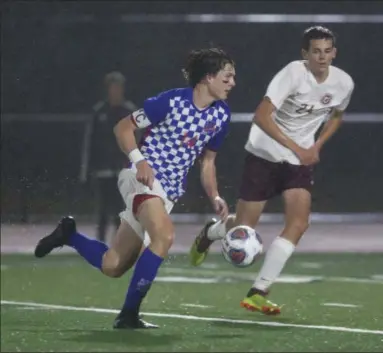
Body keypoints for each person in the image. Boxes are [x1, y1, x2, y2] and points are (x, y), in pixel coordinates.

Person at [34, 48, 236, 329]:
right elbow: (122, 128)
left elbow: (208, 162)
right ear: (208, 77)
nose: (232, 83)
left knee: (112, 265)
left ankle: (69, 236)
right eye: (227, 77)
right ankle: (129, 315)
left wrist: (214, 195)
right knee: (164, 236)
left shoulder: (221, 116)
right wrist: (139, 161)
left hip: (167, 194)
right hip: (141, 180)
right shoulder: (170, 101)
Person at [189, 26, 355, 315]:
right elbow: (261, 116)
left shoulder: (343, 83)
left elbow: (337, 115)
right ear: (305, 54)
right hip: (264, 154)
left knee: (299, 223)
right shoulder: (292, 73)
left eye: (327, 51)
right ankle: (212, 232)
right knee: (243, 228)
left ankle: (258, 291)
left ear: (334, 53)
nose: (322, 57)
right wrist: (297, 147)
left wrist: (316, 146)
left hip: (297, 162)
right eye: (316, 51)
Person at [79, 71, 137, 242]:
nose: (115, 91)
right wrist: (88, 169)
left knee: (122, 209)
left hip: (124, 169)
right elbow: (91, 142)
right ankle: (101, 243)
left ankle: (120, 243)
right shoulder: (99, 112)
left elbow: (138, 141)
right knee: (103, 209)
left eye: (118, 87)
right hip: (103, 169)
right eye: (112, 87)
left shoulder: (129, 111)